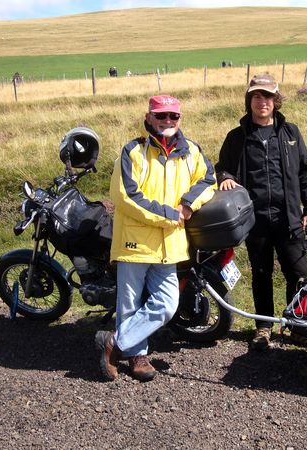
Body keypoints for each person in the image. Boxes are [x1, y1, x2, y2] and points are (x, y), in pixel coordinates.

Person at [95, 94, 216, 382]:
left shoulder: (191, 151)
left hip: (169, 246)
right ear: (149, 117)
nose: (167, 121)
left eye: (173, 116)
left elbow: (208, 179)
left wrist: (187, 204)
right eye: (161, 116)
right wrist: (169, 215)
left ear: (180, 118)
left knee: (166, 304)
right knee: (129, 305)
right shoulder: (132, 152)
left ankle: (114, 342)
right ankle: (138, 357)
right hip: (134, 243)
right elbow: (125, 197)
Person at [215, 74, 307, 352]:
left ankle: (297, 327)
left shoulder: (290, 134)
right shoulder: (237, 137)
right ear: (249, 101)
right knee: (261, 273)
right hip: (256, 220)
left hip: (289, 218)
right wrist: (225, 176)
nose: (263, 102)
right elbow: (222, 168)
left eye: (268, 97)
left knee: (297, 274)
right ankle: (263, 327)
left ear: (276, 101)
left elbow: (305, 174)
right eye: (257, 97)